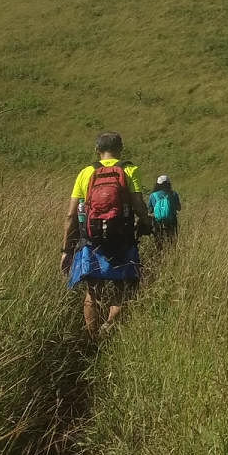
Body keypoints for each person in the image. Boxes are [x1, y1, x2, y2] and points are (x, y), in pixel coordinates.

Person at [61, 131, 152, 339]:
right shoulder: (129, 169)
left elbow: (70, 215)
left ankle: (93, 340)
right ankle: (108, 326)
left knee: (93, 291)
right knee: (124, 287)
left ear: (97, 150)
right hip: (123, 239)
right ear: (120, 149)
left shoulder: (85, 173)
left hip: (91, 241)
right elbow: (138, 204)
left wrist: (66, 249)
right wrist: (147, 222)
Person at [147, 174, 182, 247]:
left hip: (158, 221)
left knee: (159, 241)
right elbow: (179, 208)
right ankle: (172, 254)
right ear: (168, 184)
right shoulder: (174, 194)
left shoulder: (153, 195)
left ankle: (160, 254)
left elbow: (150, 210)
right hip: (172, 220)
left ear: (157, 184)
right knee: (172, 241)